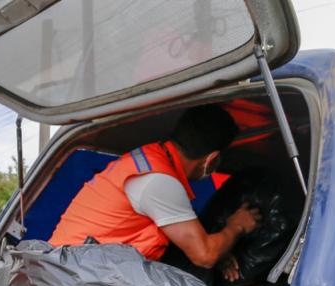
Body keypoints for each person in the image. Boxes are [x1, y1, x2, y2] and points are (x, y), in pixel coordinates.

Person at [49, 104, 261, 273]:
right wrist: (236, 226)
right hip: (78, 279)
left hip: (71, 269)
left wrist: (221, 250)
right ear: (211, 159)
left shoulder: (147, 160)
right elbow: (204, 255)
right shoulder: (158, 181)